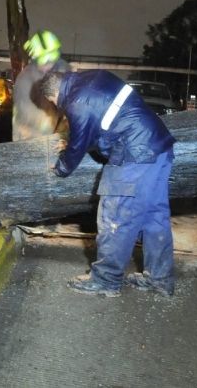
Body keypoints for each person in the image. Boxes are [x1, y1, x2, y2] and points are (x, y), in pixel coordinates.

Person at [38, 68, 177, 297]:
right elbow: (103, 125)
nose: (55, 105)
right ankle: (159, 279)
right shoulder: (93, 77)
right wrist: (76, 143)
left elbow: (79, 143)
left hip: (134, 153)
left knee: (114, 215)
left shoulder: (76, 101)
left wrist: (60, 168)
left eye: (52, 102)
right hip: (158, 145)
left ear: (53, 93)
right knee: (154, 217)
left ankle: (106, 280)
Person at [12, 30, 70, 140]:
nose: (49, 67)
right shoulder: (25, 80)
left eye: (52, 62)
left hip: (56, 135)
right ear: (35, 59)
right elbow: (27, 116)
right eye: (44, 63)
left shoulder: (64, 69)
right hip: (29, 136)